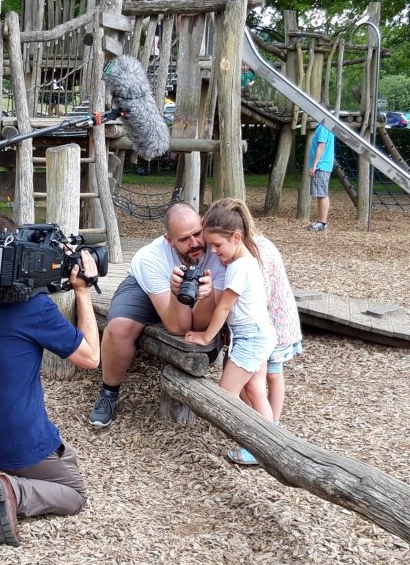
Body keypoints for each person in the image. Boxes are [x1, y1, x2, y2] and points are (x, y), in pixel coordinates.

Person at [0, 216, 100, 547]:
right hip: (15, 444)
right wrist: (81, 291)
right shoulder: (34, 309)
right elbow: (91, 358)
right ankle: (15, 491)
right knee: (74, 493)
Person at [88, 201, 226, 427]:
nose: (194, 243)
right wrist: (175, 291)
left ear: (203, 224)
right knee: (118, 328)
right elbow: (179, 327)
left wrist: (208, 295)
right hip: (148, 289)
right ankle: (108, 393)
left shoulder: (218, 249)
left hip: (198, 297)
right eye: (183, 239)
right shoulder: (150, 258)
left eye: (197, 233)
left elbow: (198, 326)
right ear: (169, 240)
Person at [183, 199, 277, 462]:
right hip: (260, 333)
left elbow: (223, 308)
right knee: (255, 390)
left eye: (217, 245)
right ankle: (268, 442)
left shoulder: (238, 268)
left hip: (251, 337)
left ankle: (258, 446)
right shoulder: (248, 259)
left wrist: (205, 336)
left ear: (236, 237)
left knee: (226, 393)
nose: (213, 251)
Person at [230, 233, 303, 465]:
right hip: (263, 325)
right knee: (254, 384)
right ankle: (263, 421)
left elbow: (263, 294)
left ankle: (272, 426)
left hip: (276, 323)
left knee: (273, 374)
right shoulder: (246, 249)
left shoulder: (258, 253)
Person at [306, 119, 335, 231]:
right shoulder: (328, 126)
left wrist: (314, 165)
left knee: (322, 194)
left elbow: (321, 146)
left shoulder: (323, 127)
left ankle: (322, 223)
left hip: (321, 165)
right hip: (323, 165)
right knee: (321, 193)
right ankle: (321, 221)